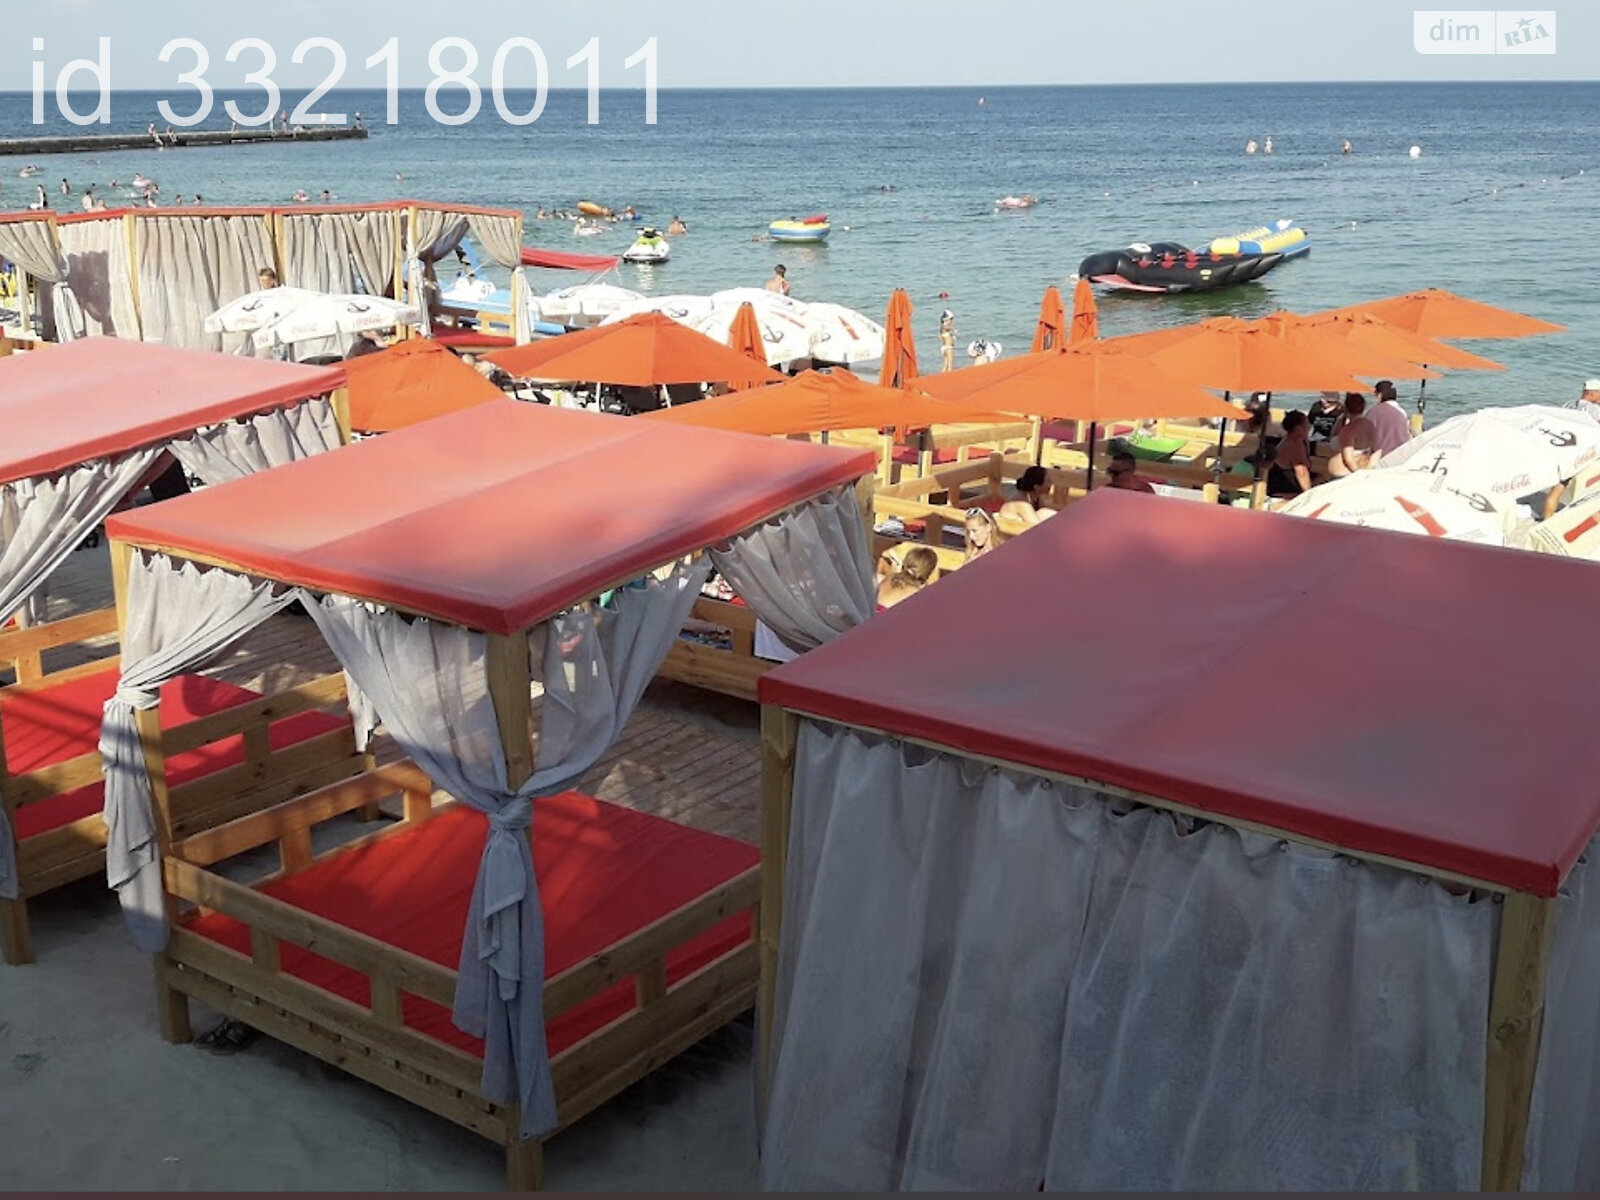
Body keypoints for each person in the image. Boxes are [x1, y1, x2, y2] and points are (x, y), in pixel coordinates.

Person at [1327, 393, 1379, 476]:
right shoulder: (1370, 424)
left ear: (1346, 408)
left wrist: (1358, 474)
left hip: (1344, 471)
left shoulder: (1349, 429)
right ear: (1364, 407)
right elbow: (1377, 450)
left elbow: (1348, 459)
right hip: (1363, 465)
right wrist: (1370, 467)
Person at [1266, 411, 1313, 498]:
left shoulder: (1288, 439)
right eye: (1306, 424)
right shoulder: (1295, 444)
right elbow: (1301, 472)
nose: (1308, 427)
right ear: (1298, 428)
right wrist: (1309, 496)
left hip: (1278, 486)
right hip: (1282, 492)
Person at [1368, 380, 1413, 455]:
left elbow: (1366, 434)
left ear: (1380, 395)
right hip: (1402, 453)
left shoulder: (1374, 411)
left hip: (1382, 455)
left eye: (1375, 395)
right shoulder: (1402, 412)